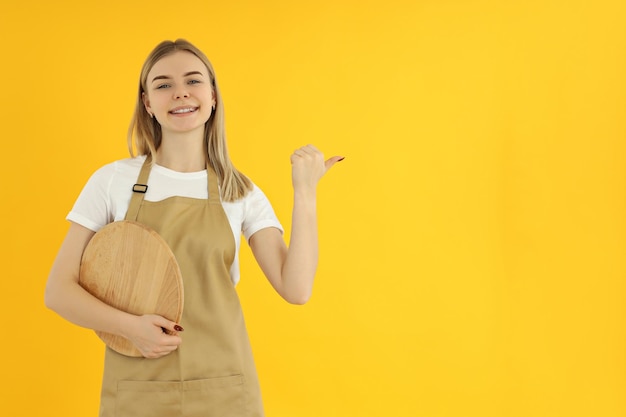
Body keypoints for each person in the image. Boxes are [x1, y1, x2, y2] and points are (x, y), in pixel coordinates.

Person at [45, 39, 343, 417]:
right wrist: (130, 327)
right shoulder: (112, 181)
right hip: (138, 389)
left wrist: (305, 193)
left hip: (225, 388)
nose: (180, 92)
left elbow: (296, 288)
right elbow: (58, 290)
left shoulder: (241, 192)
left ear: (213, 96)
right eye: (163, 84)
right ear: (148, 103)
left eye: (193, 80)